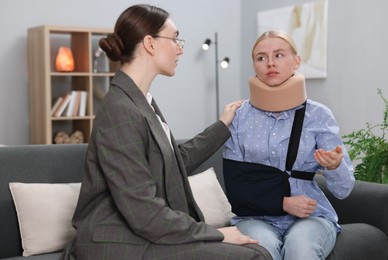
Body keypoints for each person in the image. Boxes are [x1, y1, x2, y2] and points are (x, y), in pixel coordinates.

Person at [60, 4, 272, 260]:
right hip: (120, 241)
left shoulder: (140, 100)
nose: (180, 48)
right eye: (175, 39)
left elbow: (173, 162)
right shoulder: (120, 109)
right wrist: (215, 233)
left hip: (141, 232)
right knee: (254, 256)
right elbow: (142, 211)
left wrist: (222, 126)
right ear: (149, 43)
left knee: (256, 250)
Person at [223, 30, 355, 260]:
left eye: (279, 55)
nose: (270, 63)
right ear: (254, 65)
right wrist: (282, 202)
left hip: (310, 217)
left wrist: (335, 167)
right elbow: (235, 185)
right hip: (254, 218)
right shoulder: (239, 116)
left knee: (300, 248)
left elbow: (344, 191)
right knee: (262, 249)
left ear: (297, 61)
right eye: (261, 58)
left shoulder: (318, 115)